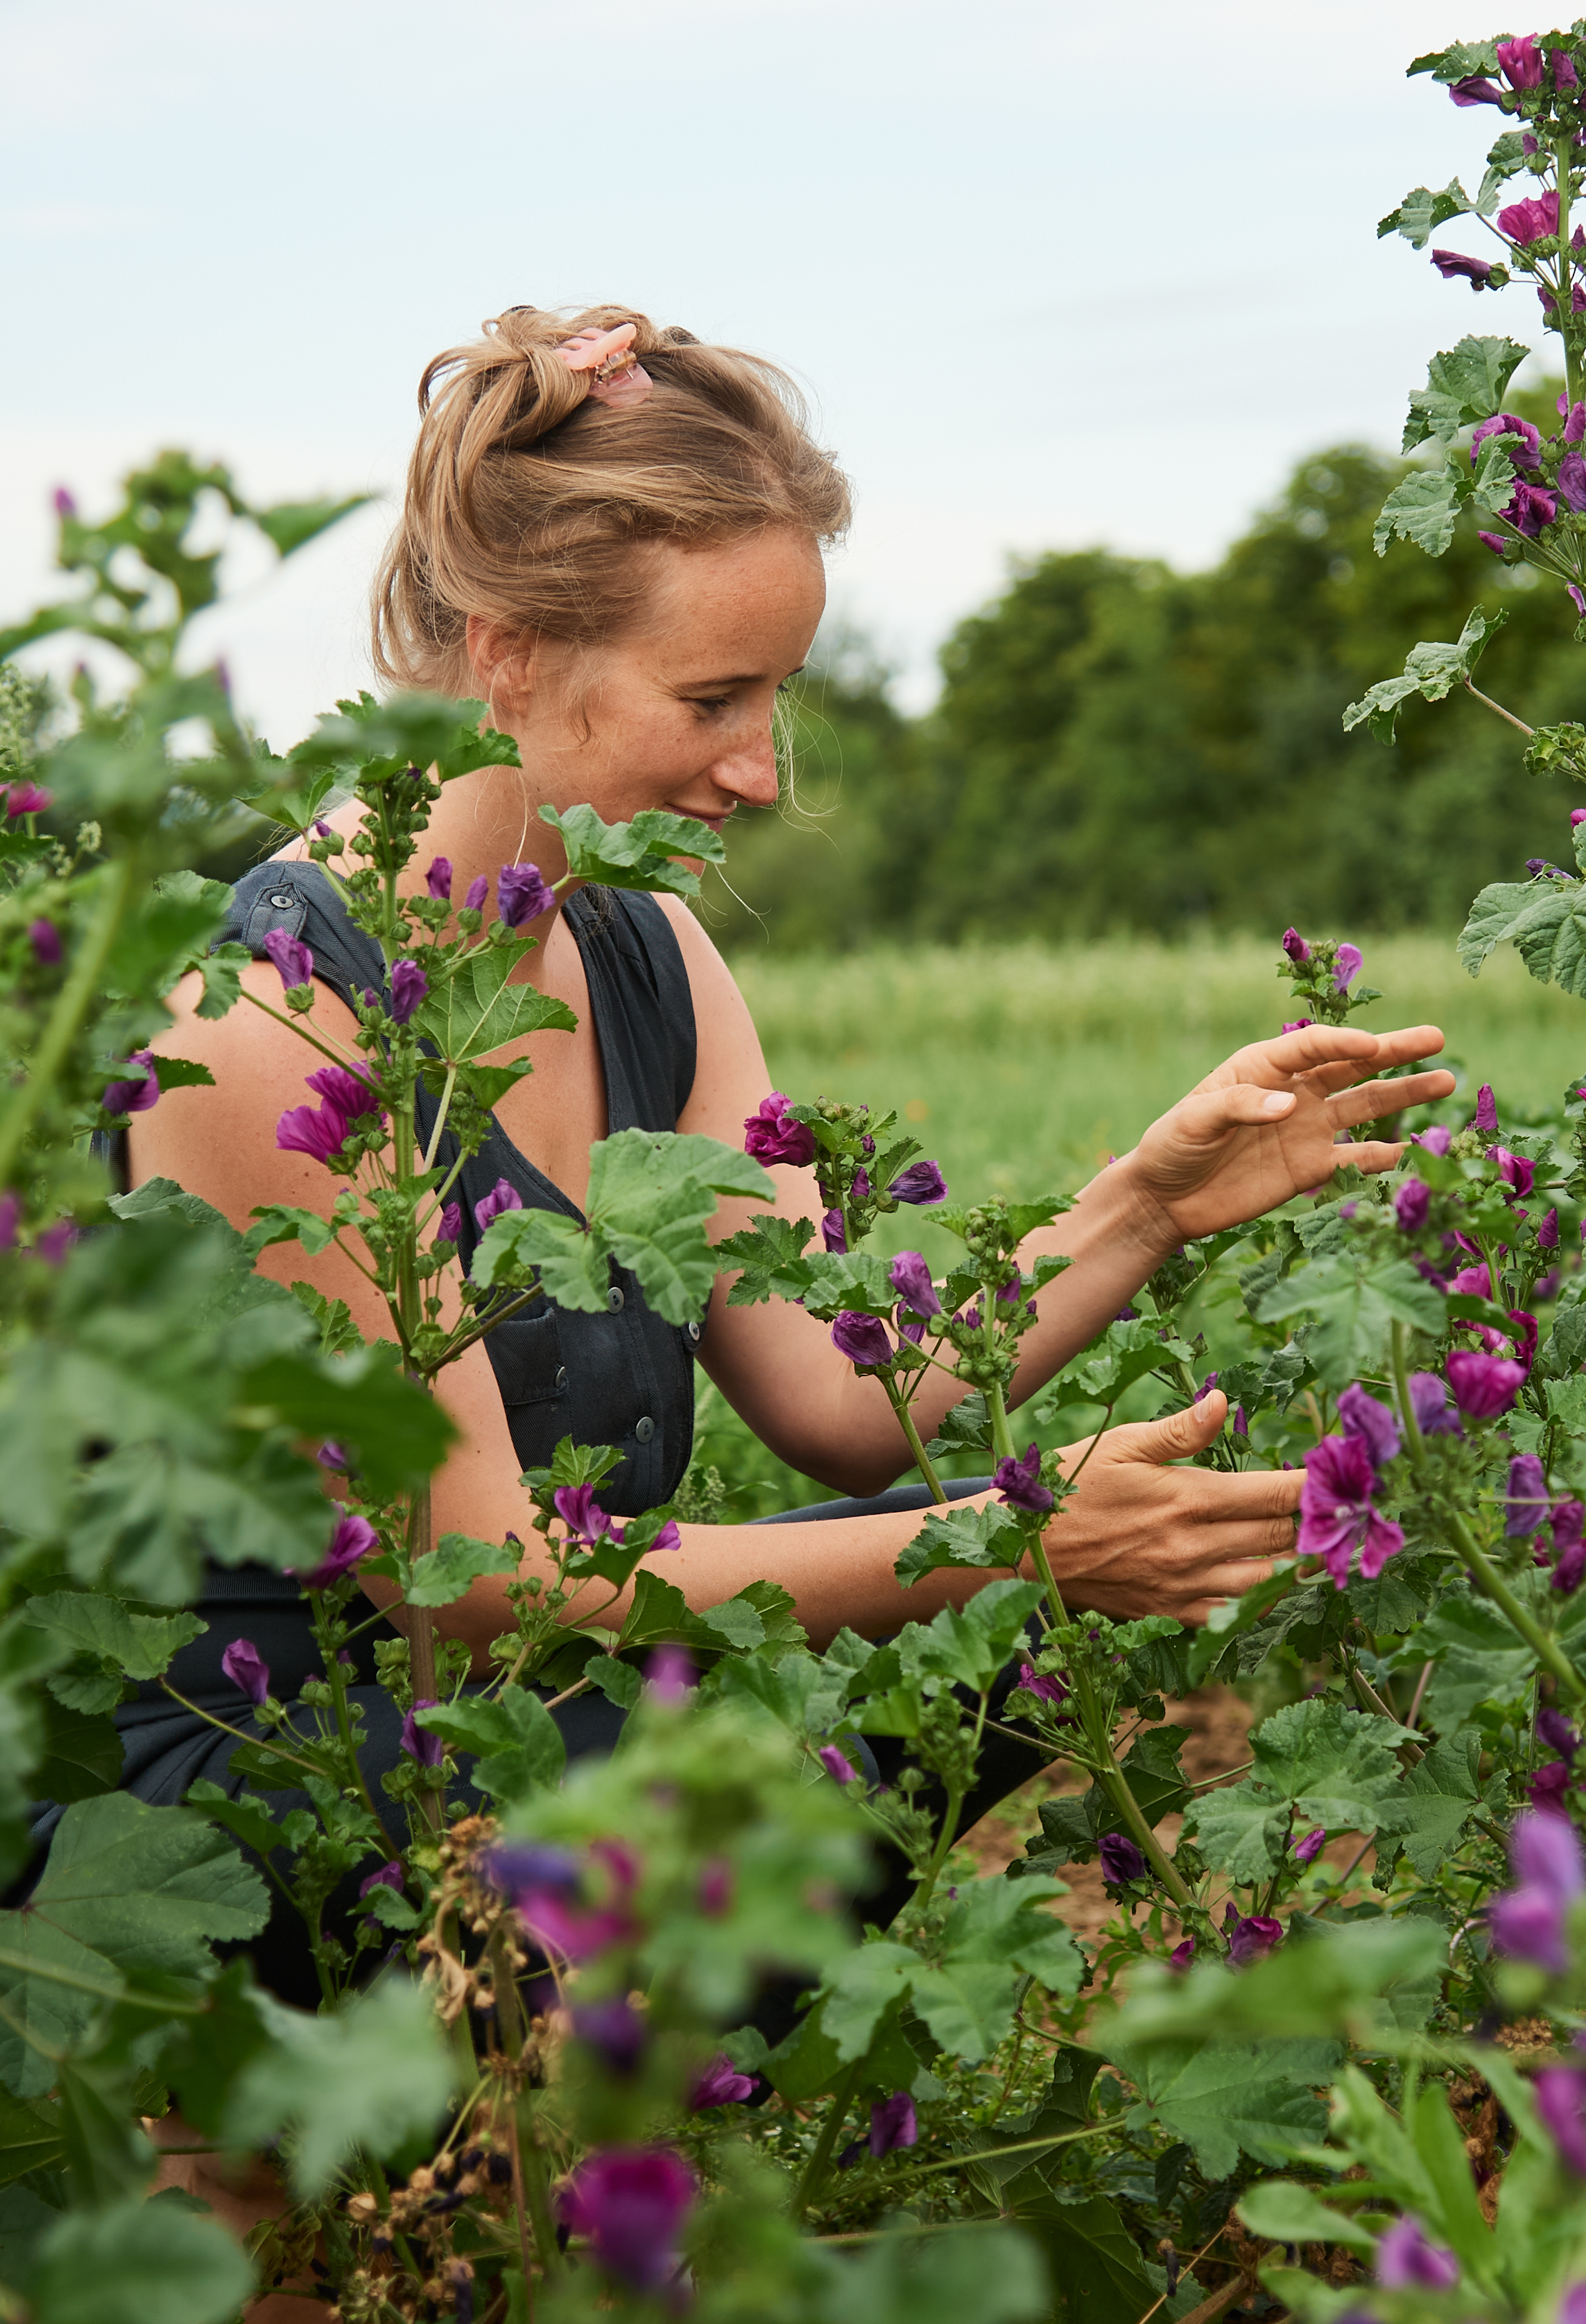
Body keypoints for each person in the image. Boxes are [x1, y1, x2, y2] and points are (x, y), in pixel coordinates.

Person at [110, 306, 1456, 2004]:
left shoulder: (650, 955)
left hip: (559, 1728)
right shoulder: (275, 1019)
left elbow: (844, 1403)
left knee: (993, 1625)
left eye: (783, 693)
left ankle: (617, 2149)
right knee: (975, 1593)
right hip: (307, 1774)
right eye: (712, 694)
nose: (760, 766)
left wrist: (1151, 1200)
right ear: (509, 648)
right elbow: (478, 1591)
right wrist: (1013, 1535)